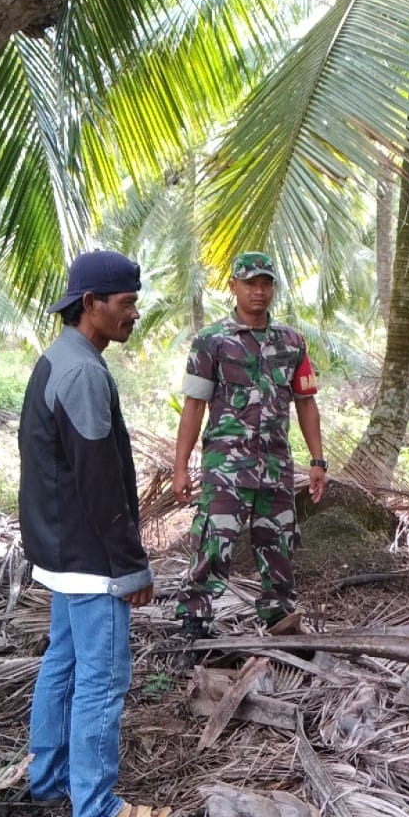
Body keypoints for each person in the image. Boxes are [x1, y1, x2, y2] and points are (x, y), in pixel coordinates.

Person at [18, 249, 169, 817]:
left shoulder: (60, 358)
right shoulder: (81, 371)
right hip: (90, 559)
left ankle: (50, 780)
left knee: (63, 663)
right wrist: (132, 568)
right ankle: (97, 809)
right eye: (126, 304)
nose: (134, 314)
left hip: (62, 551)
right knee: (101, 680)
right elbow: (101, 482)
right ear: (92, 305)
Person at [172, 251, 327, 639]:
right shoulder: (212, 342)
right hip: (226, 467)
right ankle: (194, 618)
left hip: (275, 466)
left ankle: (280, 617)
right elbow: (194, 406)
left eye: (266, 283)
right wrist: (180, 467)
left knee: (278, 544)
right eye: (250, 283)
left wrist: (317, 460)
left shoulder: (292, 342)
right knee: (213, 540)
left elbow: (306, 403)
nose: (259, 291)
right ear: (233, 287)